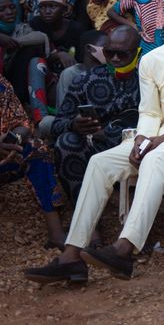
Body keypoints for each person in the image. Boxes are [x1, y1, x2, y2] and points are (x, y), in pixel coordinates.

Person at [24, 0, 164, 284]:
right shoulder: (152, 60)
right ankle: (72, 255)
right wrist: (142, 139)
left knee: (154, 159)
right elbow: (150, 111)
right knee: (100, 163)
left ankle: (124, 249)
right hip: (159, 138)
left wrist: (161, 139)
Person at [51, 25, 141, 205]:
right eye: (109, 53)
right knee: (66, 142)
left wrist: (109, 134)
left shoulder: (147, 81)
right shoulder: (84, 80)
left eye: (122, 54)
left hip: (133, 149)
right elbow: (56, 126)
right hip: (94, 147)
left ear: (137, 53)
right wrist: (74, 125)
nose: (115, 59)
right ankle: (84, 207)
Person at [0, 74, 66, 250]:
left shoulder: (2, 85)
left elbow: (22, 124)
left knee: (38, 149)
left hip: (4, 155)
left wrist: (15, 139)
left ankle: (56, 233)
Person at [54, 29, 107, 110]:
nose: (110, 50)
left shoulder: (110, 70)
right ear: (89, 48)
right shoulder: (71, 73)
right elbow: (64, 108)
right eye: (105, 47)